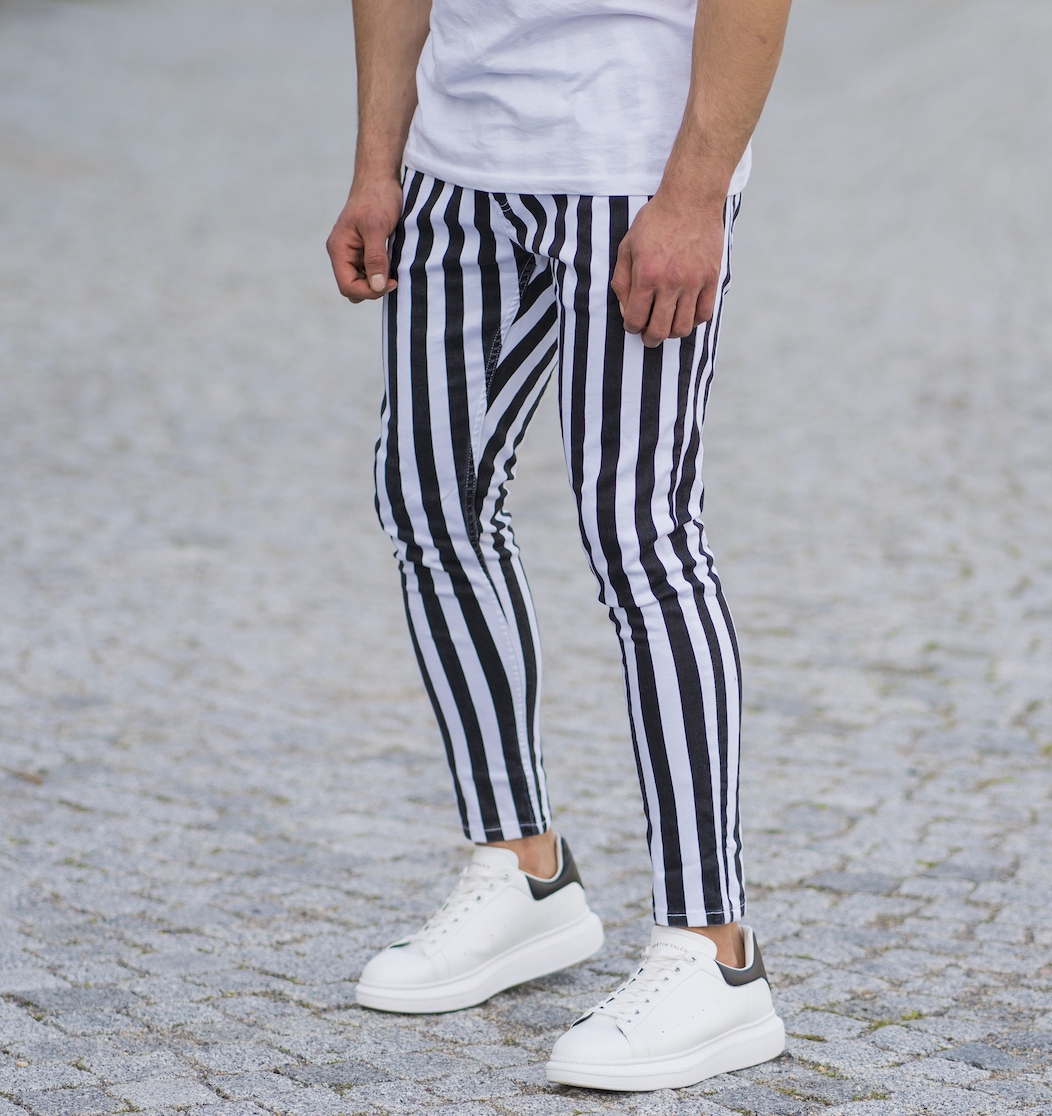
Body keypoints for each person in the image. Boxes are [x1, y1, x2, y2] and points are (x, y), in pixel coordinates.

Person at [326, 0, 793, 1091]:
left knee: (643, 535)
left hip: (632, 164)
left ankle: (712, 949)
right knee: (429, 500)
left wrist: (695, 189)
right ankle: (523, 865)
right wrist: (378, 163)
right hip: (456, 167)